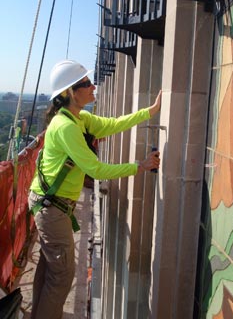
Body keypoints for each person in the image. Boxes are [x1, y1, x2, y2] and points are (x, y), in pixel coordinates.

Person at [28, 60, 161, 319]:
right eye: (86, 84)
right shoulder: (66, 126)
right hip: (52, 208)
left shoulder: (79, 119)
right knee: (62, 275)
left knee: (49, 271)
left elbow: (111, 125)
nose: (93, 87)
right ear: (69, 93)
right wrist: (140, 166)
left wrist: (148, 112)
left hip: (52, 206)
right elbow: (96, 170)